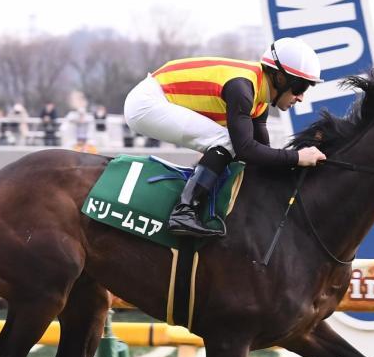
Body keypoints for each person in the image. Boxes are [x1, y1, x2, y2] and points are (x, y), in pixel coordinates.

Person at [123, 37, 326, 237]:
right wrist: (297, 157)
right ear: (280, 78)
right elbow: (246, 148)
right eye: (300, 88)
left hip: (155, 97)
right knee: (228, 141)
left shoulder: (259, 99)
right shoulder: (242, 88)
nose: (301, 98)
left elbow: (262, 157)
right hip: (146, 102)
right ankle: (183, 212)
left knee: (230, 143)